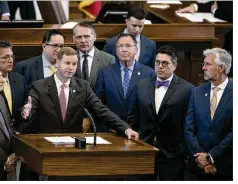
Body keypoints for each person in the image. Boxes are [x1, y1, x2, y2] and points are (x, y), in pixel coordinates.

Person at [20, 47, 138, 181]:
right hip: (46, 150)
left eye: (74, 64)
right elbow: (30, 109)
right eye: (67, 63)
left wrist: (125, 128)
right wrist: (27, 112)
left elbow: (102, 110)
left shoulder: (83, 87)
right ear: (57, 63)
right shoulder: (39, 86)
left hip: (73, 152)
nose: (71, 67)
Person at [128, 46, 194, 180]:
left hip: (172, 153)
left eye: (165, 63)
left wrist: (184, 151)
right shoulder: (141, 84)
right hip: (144, 148)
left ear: (174, 66)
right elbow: (133, 116)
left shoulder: (188, 89)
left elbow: (189, 123)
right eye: (157, 62)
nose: (160, 66)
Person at [184, 48, 232, 181]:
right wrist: (201, 158)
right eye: (203, 64)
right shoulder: (196, 92)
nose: (203, 68)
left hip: (226, 167)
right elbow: (189, 127)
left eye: (208, 64)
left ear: (221, 68)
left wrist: (211, 157)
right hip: (197, 167)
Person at [95, 33, 155, 132]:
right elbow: (99, 103)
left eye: (128, 45)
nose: (124, 49)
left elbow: (150, 106)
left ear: (136, 49)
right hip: (111, 130)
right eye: (120, 46)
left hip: (138, 132)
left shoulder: (148, 73)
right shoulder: (105, 72)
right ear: (116, 50)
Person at [72, 22, 115, 91]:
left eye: (86, 36)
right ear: (74, 39)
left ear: (94, 37)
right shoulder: (67, 58)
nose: (83, 41)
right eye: (79, 37)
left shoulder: (108, 60)